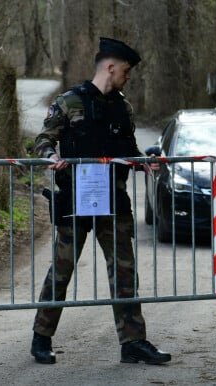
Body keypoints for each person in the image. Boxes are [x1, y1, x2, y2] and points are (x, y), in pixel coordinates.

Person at [30, 37, 171, 365]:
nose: (128, 77)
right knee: (61, 271)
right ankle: (41, 338)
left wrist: (142, 161)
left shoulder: (123, 107)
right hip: (74, 200)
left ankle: (133, 342)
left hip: (114, 200)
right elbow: (42, 140)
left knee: (125, 273)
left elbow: (128, 150)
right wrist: (51, 157)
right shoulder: (69, 102)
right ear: (110, 67)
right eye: (125, 71)